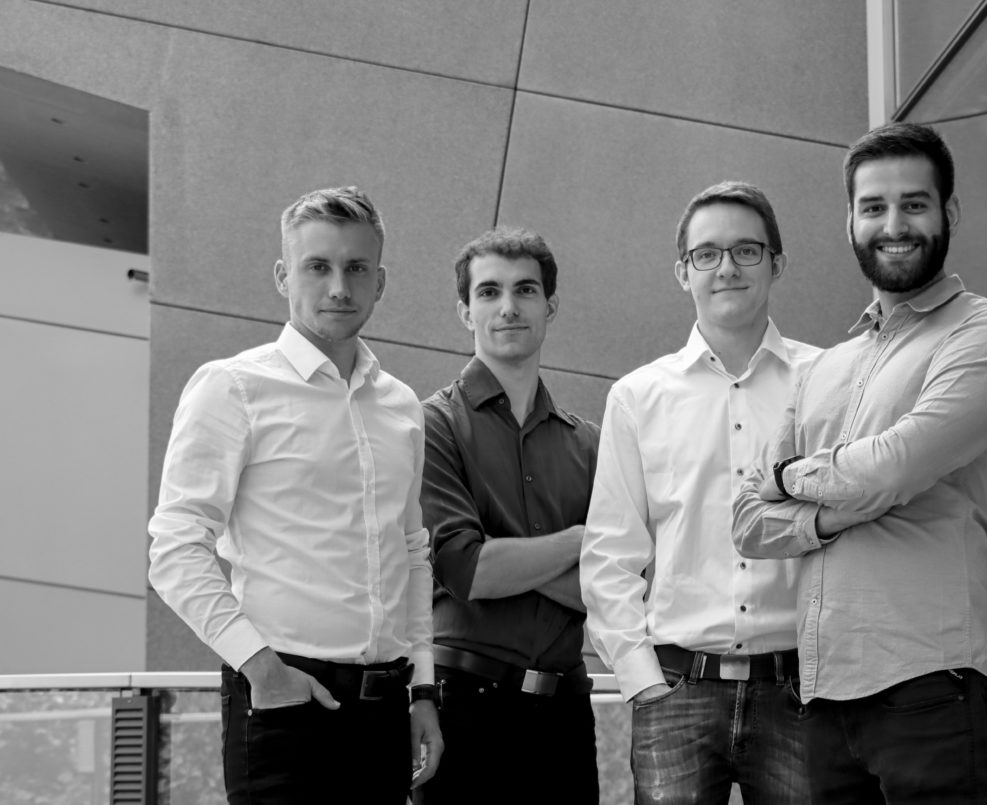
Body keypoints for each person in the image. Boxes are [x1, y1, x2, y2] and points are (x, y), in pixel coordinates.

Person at [732, 122, 987, 804]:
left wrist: (787, 478)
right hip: (821, 700)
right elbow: (747, 522)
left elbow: (894, 464)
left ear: (949, 213)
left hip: (935, 685)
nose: (893, 224)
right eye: (873, 208)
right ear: (850, 222)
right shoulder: (823, 368)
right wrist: (833, 512)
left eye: (913, 204)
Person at [147, 186, 442, 804]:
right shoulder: (232, 388)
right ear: (284, 276)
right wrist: (261, 668)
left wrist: (422, 693)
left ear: (380, 282)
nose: (339, 286)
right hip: (282, 700)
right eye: (318, 266)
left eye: (356, 268)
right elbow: (175, 548)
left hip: (386, 709)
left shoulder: (401, 407)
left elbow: (412, 554)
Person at [581, 181, 819, 804]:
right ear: (683, 272)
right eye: (707, 254)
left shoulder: (825, 381)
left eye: (747, 250)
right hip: (677, 691)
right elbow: (610, 553)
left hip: (803, 694)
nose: (728, 267)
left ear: (777, 263)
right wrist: (641, 681)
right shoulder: (638, 397)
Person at [417, 227, 600, 804]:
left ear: (550, 306)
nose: (508, 307)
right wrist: (581, 539)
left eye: (525, 290)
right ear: (464, 312)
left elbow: (620, 585)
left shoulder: (590, 444)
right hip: (463, 705)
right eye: (489, 292)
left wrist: (507, 555)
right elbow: (466, 570)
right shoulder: (430, 425)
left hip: (565, 714)